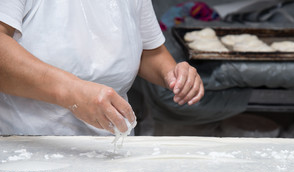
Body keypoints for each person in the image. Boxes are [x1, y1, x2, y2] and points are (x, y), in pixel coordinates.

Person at [0, 0, 204, 136]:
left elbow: (150, 51)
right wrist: (72, 92)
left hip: (112, 150)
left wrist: (172, 73)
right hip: (29, 148)